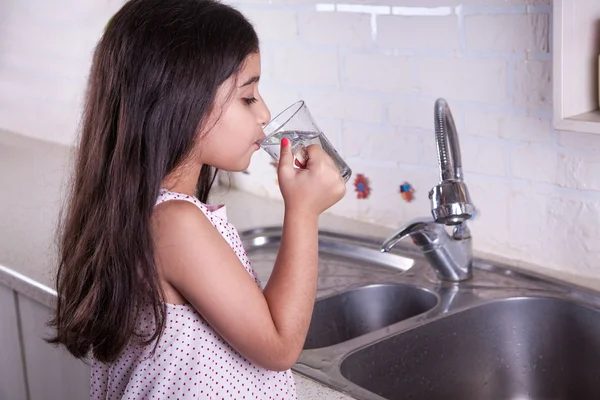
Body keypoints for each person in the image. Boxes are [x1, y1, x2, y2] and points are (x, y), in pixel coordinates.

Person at [48, 0, 346, 398]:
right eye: (247, 97)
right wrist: (304, 213)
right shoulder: (174, 223)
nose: (265, 113)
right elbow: (278, 346)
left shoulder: (149, 210)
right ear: (183, 102)